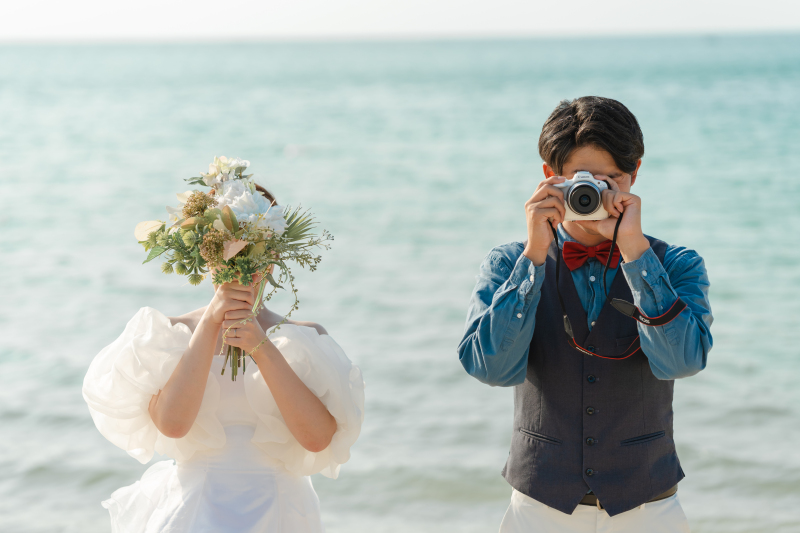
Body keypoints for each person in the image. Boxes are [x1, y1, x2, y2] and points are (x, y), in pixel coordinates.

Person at [457, 96, 713, 532]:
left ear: (635, 173)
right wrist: (534, 258)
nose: (595, 193)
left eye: (611, 179)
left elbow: (683, 362)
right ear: (548, 177)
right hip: (538, 509)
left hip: (649, 509)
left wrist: (636, 253)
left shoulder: (677, 264)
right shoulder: (507, 263)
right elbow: (492, 369)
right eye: (581, 180)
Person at [82, 187, 365, 533]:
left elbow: (318, 439)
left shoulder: (303, 339)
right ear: (206, 254)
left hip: (278, 511)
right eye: (227, 252)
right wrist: (211, 321)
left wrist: (262, 347)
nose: (241, 267)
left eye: (254, 254)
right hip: (196, 509)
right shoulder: (173, 334)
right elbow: (173, 425)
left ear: (272, 258)